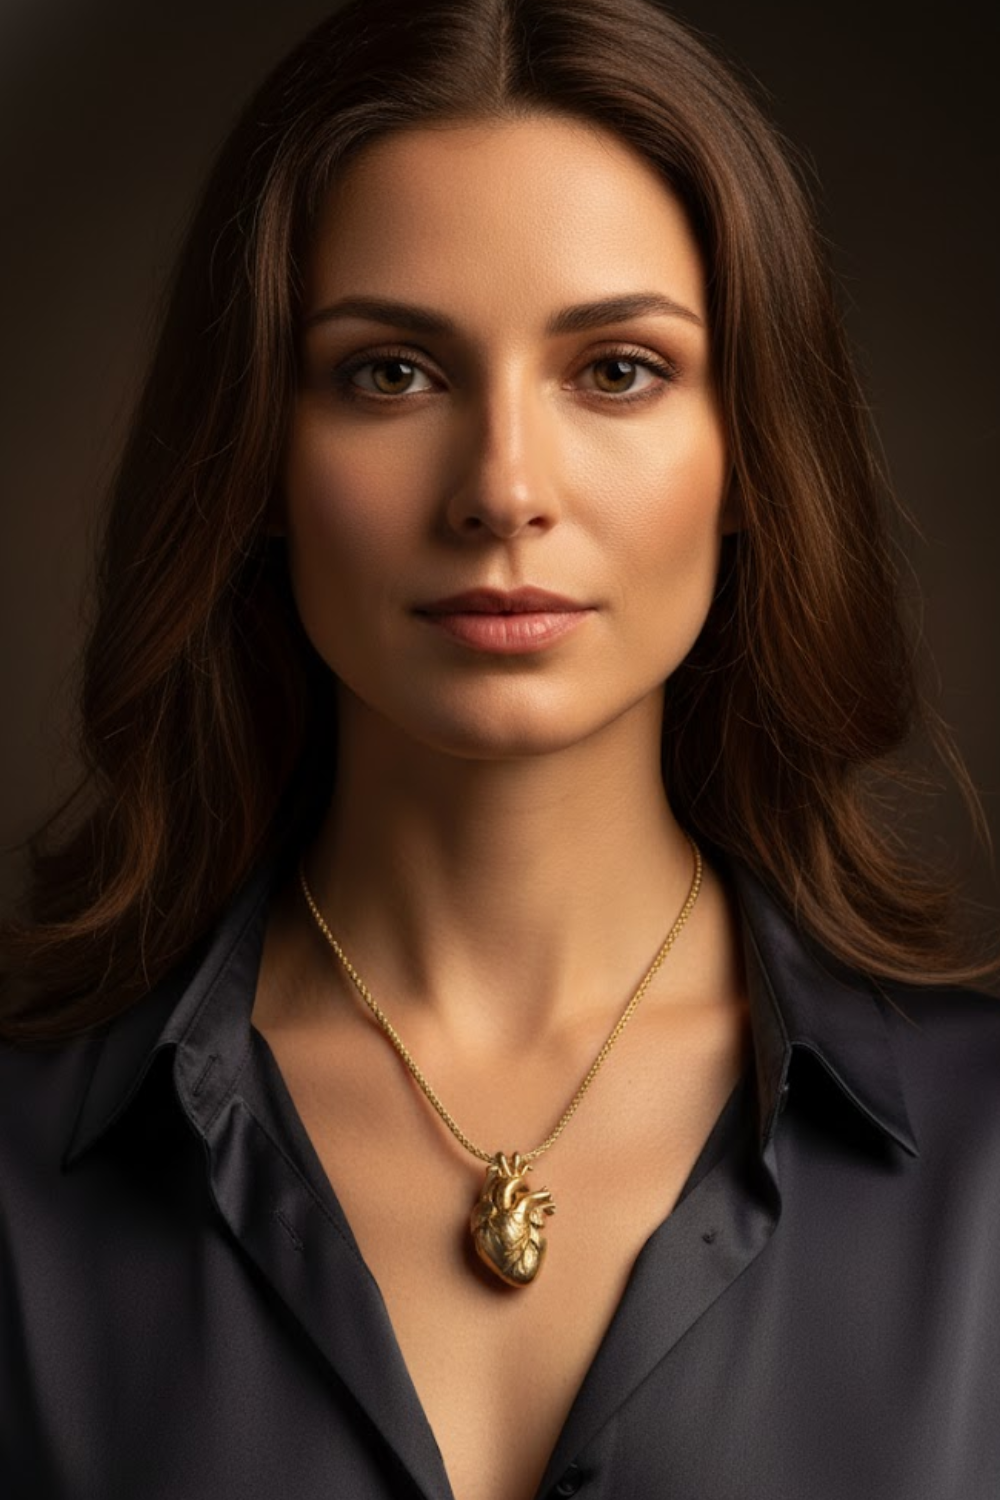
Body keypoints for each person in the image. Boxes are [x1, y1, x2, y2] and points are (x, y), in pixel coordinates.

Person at [1, 0, 998, 1496]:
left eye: (616, 370)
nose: (502, 490)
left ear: (752, 453)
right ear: (258, 456)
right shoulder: (20, 1172)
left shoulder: (989, 1169)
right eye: (392, 372)